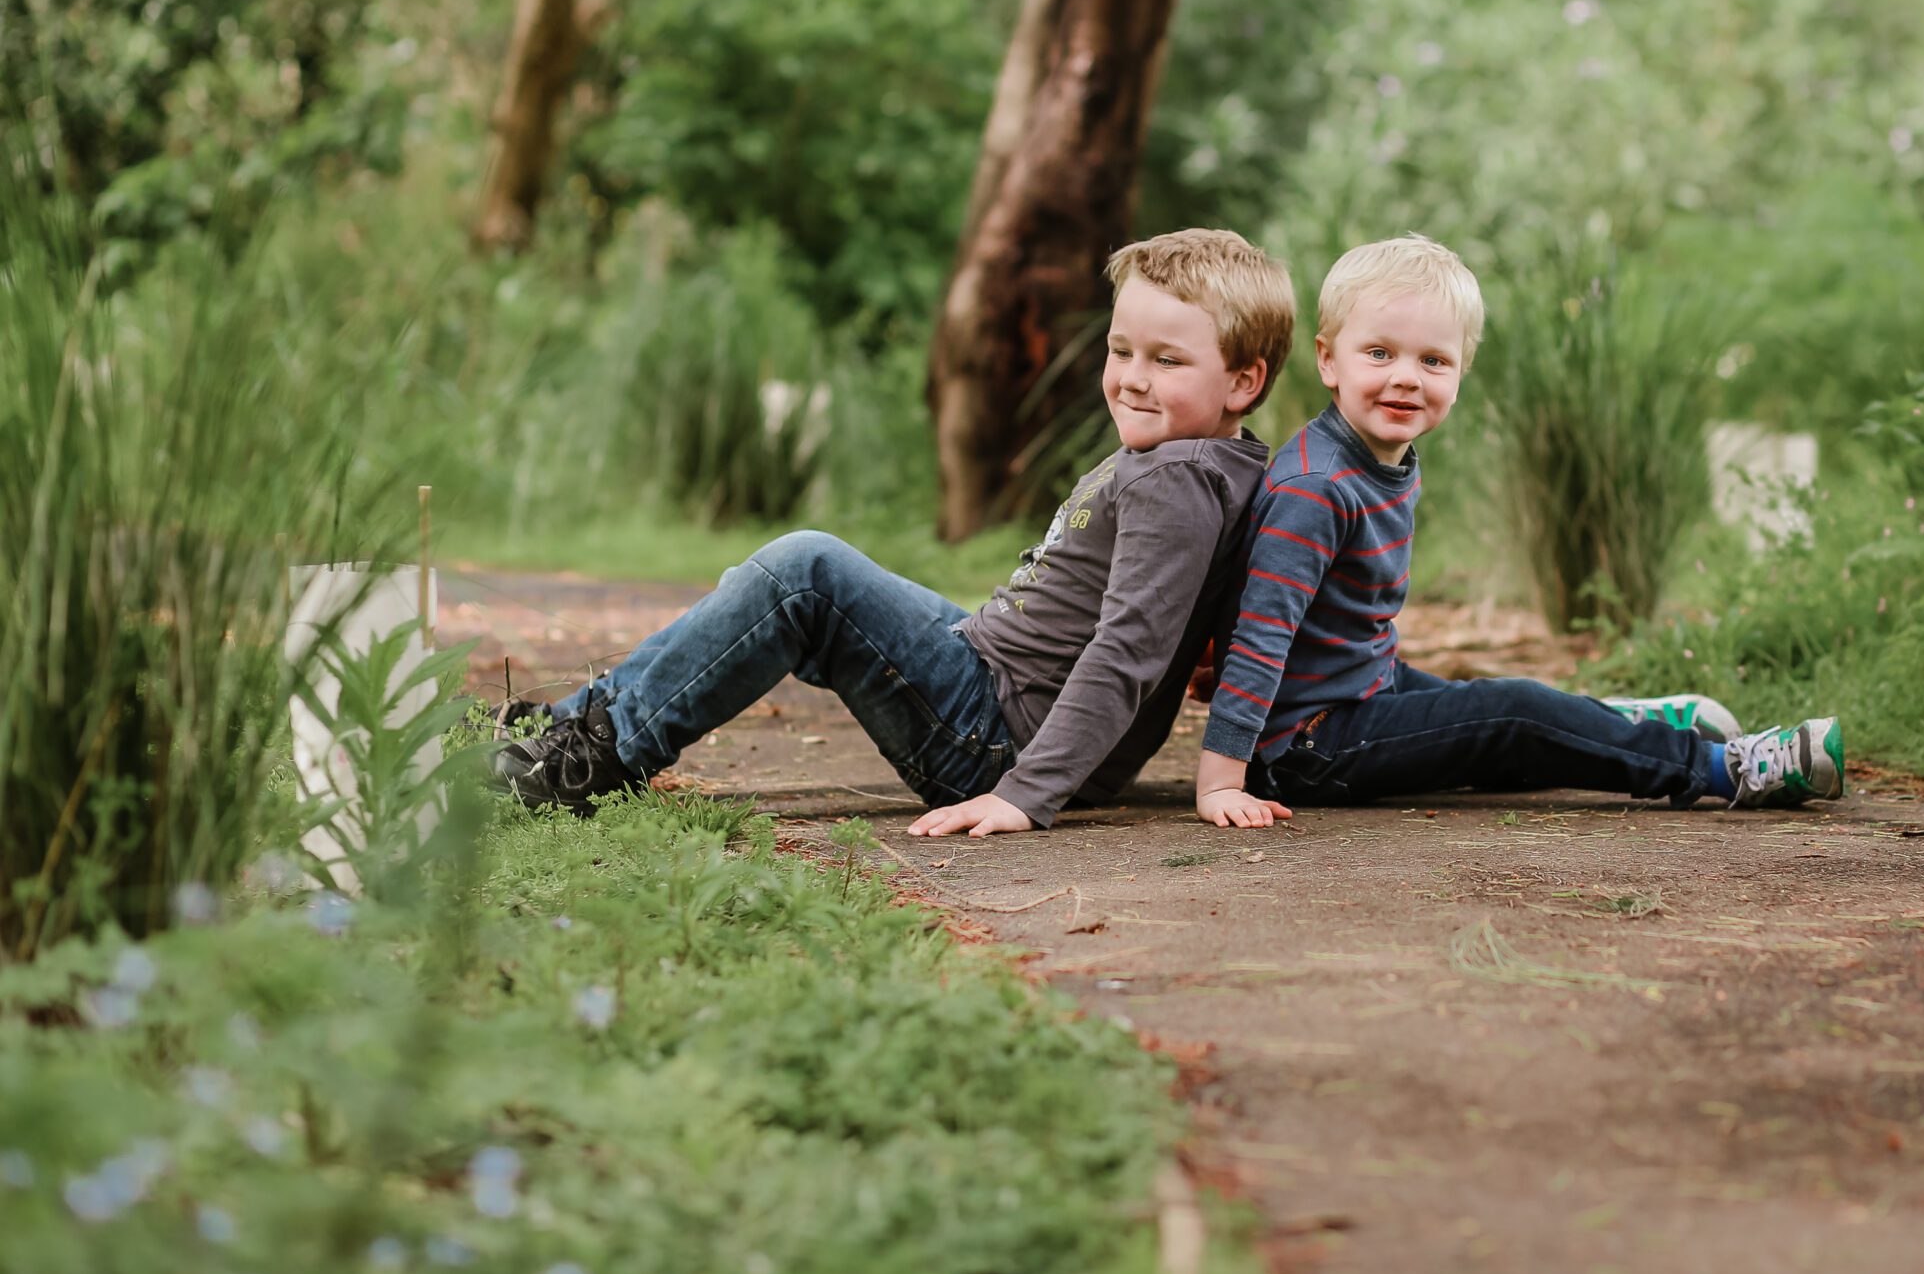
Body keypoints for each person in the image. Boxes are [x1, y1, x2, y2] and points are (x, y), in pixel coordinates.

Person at [490, 229, 1295, 838]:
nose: (1133, 376)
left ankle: (593, 758)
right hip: (990, 679)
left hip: (997, 738)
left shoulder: (1177, 478)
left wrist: (1025, 792)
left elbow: (1130, 650)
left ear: (1243, 380)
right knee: (799, 583)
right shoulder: (1207, 463)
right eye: (1122, 350)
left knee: (805, 572)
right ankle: (574, 725)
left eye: (1167, 360)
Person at [1191, 234, 1840, 831]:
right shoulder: (1318, 487)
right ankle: (1723, 768)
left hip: (1359, 689)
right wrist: (1223, 778)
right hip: (1304, 744)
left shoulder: (1380, 455)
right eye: (1380, 353)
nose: (1407, 376)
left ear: (1460, 372)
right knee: (1513, 715)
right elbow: (1259, 635)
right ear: (1329, 361)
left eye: (1434, 359)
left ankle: (1611, 725)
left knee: (1492, 715)